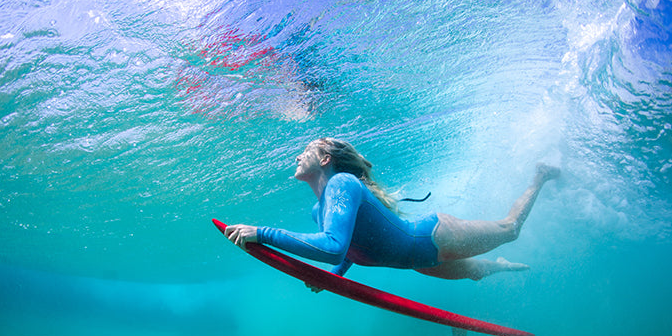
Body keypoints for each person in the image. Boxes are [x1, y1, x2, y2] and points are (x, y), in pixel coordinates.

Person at [223, 137, 560, 282]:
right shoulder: (318, 211)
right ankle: (500, 266)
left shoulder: (342, 183)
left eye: (306, 150)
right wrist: (335, 277)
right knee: (475, 273)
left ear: (325, 159)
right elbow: (349, 248)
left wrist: (262, 233)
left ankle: (541, 176)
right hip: (418, 262)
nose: (298, 156)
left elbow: (333, 247)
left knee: (510, 229)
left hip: (433, 237)